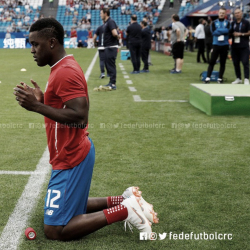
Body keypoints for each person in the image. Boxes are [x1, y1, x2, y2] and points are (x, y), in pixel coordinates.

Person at [13, 17, 156, 241]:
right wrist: (44, 102)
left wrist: (38, 106)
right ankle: (125, 200)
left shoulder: (65, 71)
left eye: (35, 44)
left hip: (71, 155)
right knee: (73, 204)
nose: (32, 50)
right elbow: (67, 108)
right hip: (74, 150)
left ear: (51, 42)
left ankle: (127, 210)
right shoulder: (61, 67)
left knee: (55, 230)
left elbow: (79, 117)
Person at [204, 7, 230, 84]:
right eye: (220, 13)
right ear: (218, 13)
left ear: (225, 14)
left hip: (224, 45)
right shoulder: (214, 22)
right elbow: (213, 32)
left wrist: (219, 31)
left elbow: (228, 30)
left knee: (223, 62)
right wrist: (223, 31)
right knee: (212, 61)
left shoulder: (228, 22)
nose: (221, 14)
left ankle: (220, 78)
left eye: (223, 13)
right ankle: (208, 78)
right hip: (216, 44)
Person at [229, 8, 250, 85]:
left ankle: (246, 78)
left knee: (245, 62)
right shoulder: (233, 23)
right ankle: (238, 78)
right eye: (235, 13)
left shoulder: (246, 22)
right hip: (235, 46)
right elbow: (230, 32)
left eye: (238, 13)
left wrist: (241, 34)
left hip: (244, 46)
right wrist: (232, 34)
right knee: (235, 63)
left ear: (241, 13)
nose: (237, 14)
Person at [100, 8, 120, 90]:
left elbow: (115, 33)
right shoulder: (107, 22)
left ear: (105, 13)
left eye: (101, 13)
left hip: (111, 47)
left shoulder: (110, 21)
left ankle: (113, 83)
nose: (100, 15)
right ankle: (111, 82)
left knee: (111, 65)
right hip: (109, 47)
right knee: (109, 65)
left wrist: (118, 38)